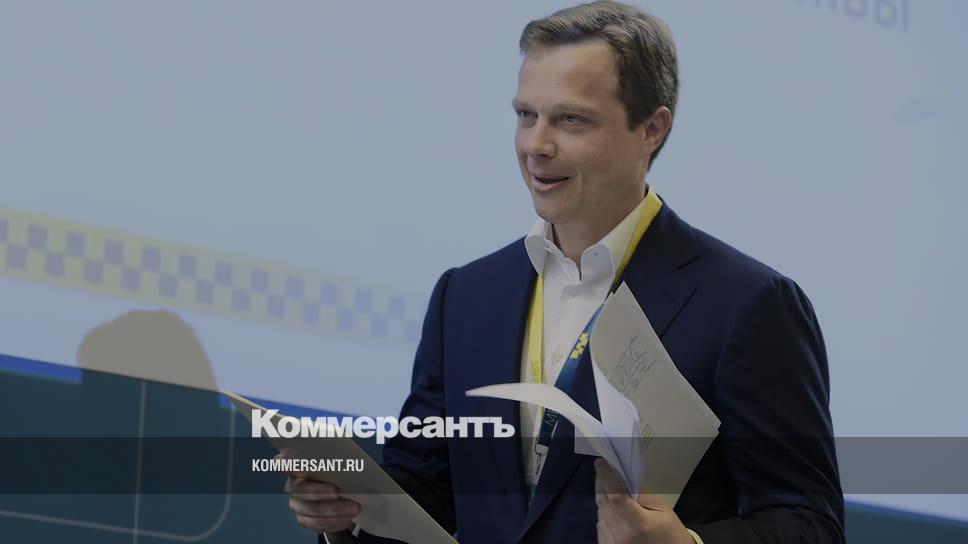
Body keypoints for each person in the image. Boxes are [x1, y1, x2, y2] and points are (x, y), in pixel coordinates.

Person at [286, 2, 844, 542]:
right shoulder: (467, 295)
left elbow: (808, 523)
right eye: (525, 115)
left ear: (651, 129)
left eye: (570, 120)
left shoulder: (748, 305)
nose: (535, 145)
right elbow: (427, 487)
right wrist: (349, 510)